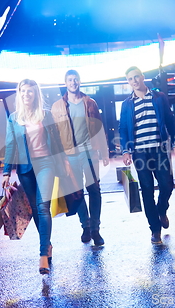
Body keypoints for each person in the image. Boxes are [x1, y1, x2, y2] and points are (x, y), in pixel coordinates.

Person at [1, 79, 68, 275]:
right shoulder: (14, 118)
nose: (26, 95)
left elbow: (56, 141)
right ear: (19, 94)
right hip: (25, 169)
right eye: (23, 91)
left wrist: (63, 162)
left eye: (30, 92)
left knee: (42, 206)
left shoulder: (45, 115)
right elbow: (11, 145)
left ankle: (42, 256)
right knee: (36, 210)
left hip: (46, 164)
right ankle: (47, 245)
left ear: (35, 94)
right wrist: (7, 171)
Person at [119, 66, 175, 245]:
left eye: (136, 77)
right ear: (128, 82)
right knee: (147, 190)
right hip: (140, 153)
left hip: (160, 149)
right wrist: (125, 150)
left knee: (167, 185)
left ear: (142, 77)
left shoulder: (159, 97)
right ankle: (155, 229)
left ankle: (162, 210)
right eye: (130, 79)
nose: (134, 81)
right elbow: (123, 129)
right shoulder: (127, 104)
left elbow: (170, 120)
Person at [51, 70, 110, 246]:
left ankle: (95, 229)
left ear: (80, 82)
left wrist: (105, 152)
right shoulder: (57, 107)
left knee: (94, 190)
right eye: (70, 80)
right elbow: (54, 136)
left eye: (75, 79)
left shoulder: (90, 103)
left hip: (90, 152)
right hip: (70, 156)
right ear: (65, 83)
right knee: (77, 194)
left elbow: (99, 128)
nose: (73, 82)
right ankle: (85, 225)